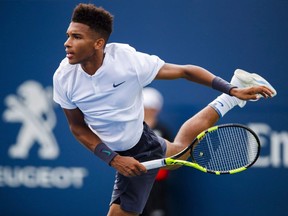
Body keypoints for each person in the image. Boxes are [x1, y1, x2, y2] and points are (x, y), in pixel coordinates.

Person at [52, 3, 276, 216]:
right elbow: (77, 127)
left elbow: (186, 71)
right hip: (119, 149)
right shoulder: (63, 77)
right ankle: (228, 102)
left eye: (77, 37)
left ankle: (231, 97)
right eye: (68, 36)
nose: (67, 43)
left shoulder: (127, 62)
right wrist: (114, 159)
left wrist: (231, 89)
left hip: (140, 147)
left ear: (98, 43)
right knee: (180, 152)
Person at [141, 87, 172, 216]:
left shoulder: (163, 130)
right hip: (134, 182)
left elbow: (171, 156)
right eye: (144, 107)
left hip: (157, 183)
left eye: (149, 107)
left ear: (156, 109)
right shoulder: (132, 130)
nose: (146, 111)